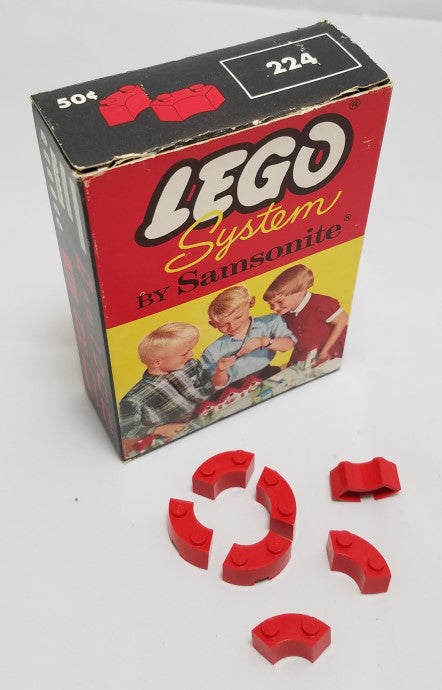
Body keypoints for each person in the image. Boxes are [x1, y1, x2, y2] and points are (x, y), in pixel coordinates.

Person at [119, 322, 212, 455]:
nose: (191, 354)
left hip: (209, 422)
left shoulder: (191, 365)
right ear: (157, 362)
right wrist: (157, 430)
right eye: (184, 354)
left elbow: (208, 387)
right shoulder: (133, 399)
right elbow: (128, 431)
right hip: (172, 446)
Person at [201, 285, 295, 388]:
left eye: (238, 317)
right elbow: (216, 384)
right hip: (233, 389)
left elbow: (289, 344)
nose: (233, 326)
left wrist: (263, 341)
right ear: (214, 324)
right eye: (224, 324)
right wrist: (221, 370)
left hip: (266, 373)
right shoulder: (212, 351)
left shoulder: (270, 322)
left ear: (251, 302)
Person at [263, 264, 348, 366]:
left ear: (300, 291)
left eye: (280, 302)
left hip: (333, 354)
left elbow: (343, 320)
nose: (275, 308)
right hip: (307, 356)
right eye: (271, 304)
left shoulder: (322, 304)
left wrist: (325, 350)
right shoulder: (287, 313)